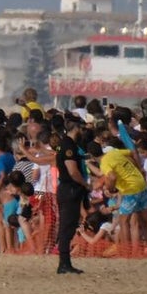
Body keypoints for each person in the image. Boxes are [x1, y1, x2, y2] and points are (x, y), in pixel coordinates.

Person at [55, 117, 89, 274]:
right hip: (70, 189)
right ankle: (64, 263)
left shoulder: (67, 144)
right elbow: (73, 171)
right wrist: (85, 184)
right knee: (67, 226)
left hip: (68, 189)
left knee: (68, 225)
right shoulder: (68, 145)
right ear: (77, 128)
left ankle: (65, 262)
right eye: (82, 128)